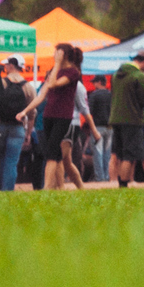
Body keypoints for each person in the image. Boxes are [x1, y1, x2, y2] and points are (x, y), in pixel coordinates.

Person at [20, 43, 90, 191]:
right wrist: (25, 111)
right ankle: (61, 187)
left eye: (57, 53)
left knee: (51, 153)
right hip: (48, 115)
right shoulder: (55, 70)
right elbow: (42, 95)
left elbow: (52, 85)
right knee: (57, 155)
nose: (54, 55)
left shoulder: (73, 72)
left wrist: (57, 64)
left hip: (63, 117)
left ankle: (47, 188)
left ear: (64, 54)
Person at [108, 51, 144, 187]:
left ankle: (119, 183)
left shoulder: (115, 75)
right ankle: (123, 185)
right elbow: (142, 99)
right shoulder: (138, 76)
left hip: (116, 118)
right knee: (130, 155)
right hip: (132, 119)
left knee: (120, 154)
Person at [0, 57, 32, 191]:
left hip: (1, 126)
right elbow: (32, 112)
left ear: (11, 66)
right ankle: (7, 192)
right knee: (11, 162)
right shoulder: (28, 86)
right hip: (18, 128)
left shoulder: (1, 83)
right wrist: (28, 133)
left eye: (6, 65)